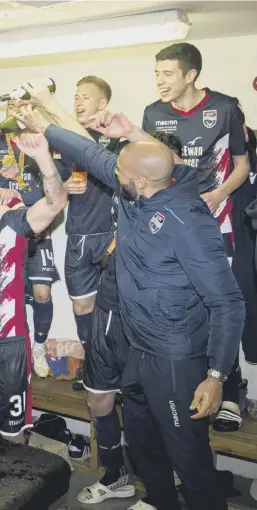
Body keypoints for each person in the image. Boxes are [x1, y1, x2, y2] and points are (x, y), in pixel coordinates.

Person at [16, 106, 245, 510]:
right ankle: (159, 501)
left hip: (175, 358)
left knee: (187, 458)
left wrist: (215, 376)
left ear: (140, 179)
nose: (112, 173)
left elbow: (227, 301)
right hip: (135, 348)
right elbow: (91, 156)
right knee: (142, 444)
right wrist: (45, 127)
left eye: (119, 170)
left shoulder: (189, 221)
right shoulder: (137, 191)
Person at [142, 42, 250, 432]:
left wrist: (219, 194)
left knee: (221, 306)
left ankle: (232, 393)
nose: (159, 81)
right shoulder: (154, 113)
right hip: (172, 223)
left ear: (190, 75)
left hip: (215, 224)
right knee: (184, 306)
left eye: (167, 73)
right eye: (156, 73)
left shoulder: (224, 108)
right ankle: (193, 383)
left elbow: (242, 166)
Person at [20, 76, 126, 390]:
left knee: (114, 312)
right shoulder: (63, 141)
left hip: (110, 238)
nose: (78, 101)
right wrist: (61, 185)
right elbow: (49, 186)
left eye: (85, 97)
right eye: (75, 96)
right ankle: (93, 367)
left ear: (103, 103)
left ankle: (116, 374)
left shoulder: (115, 137)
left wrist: (48, 108)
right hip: (78, 236)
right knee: (82, 308)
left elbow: (95, 154)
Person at [0, 132, 67, 436]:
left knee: (12, 437)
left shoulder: (11, 221)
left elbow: (55, 203)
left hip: (8, 344)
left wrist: (43, 159)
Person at [0, 100, 60, 378]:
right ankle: (18, 352)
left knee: (41, 293)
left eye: (21, 108)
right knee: (11, 298)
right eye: (10, 107)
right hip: (7, 233)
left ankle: (38, 345)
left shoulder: (42, 140)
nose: (15, 113)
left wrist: (20, 196)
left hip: (37, 229)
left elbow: (56, 192)